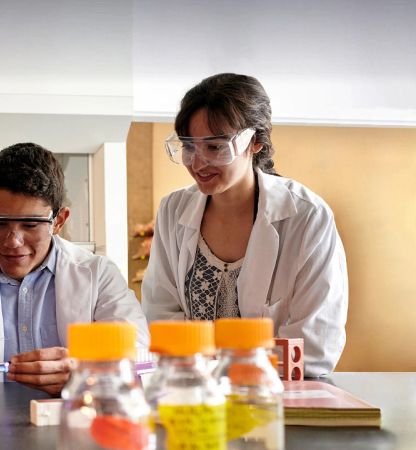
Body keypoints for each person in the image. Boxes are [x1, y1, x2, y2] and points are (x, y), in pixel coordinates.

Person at [142, 73, 348, 377]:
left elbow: (314, 346)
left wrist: (219, 367)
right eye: (188, 146)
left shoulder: (307, 216)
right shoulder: (173, 210)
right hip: (194, 393)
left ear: (255, 143)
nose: (197, 164)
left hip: (277, 395)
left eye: (214, 147)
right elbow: (160, 316)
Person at [0, 143, 148, 395]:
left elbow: (142, 360)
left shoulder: (98, 276)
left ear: (58, 220)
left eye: (30, 224)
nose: (13, 241)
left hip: (75, 421)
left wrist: (84, 373)